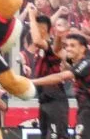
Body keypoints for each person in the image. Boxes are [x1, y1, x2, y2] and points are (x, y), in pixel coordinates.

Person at [32, 33, 90, 139]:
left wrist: (32, 82)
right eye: (67, 45)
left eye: (72, 46)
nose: (68, 49)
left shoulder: (85, 64)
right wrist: (59, 35)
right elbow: (57, 51)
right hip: (84, 109)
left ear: (83, 48)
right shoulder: (75, 62)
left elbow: (61, 77)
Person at [27, 9, 68, 139]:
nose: (32, 32)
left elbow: (38, 40)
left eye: (35, 28)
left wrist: (31, 16)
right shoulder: (39, 52)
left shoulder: (51, 46)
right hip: (44, 100)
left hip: (55, 100)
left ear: (43, 30)